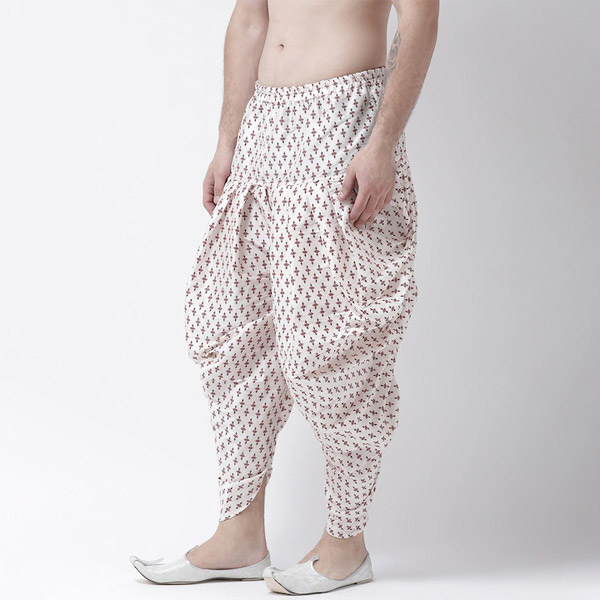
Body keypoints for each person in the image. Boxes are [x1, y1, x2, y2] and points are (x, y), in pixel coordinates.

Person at [131, 0, 438, 594]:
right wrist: (227, 138)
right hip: (263, 125)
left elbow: (420, 17)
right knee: (237, 336)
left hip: (342, 119)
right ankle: (239, 535)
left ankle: (346, 543)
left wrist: (381, 143)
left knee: (335, 345)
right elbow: (250, 19)